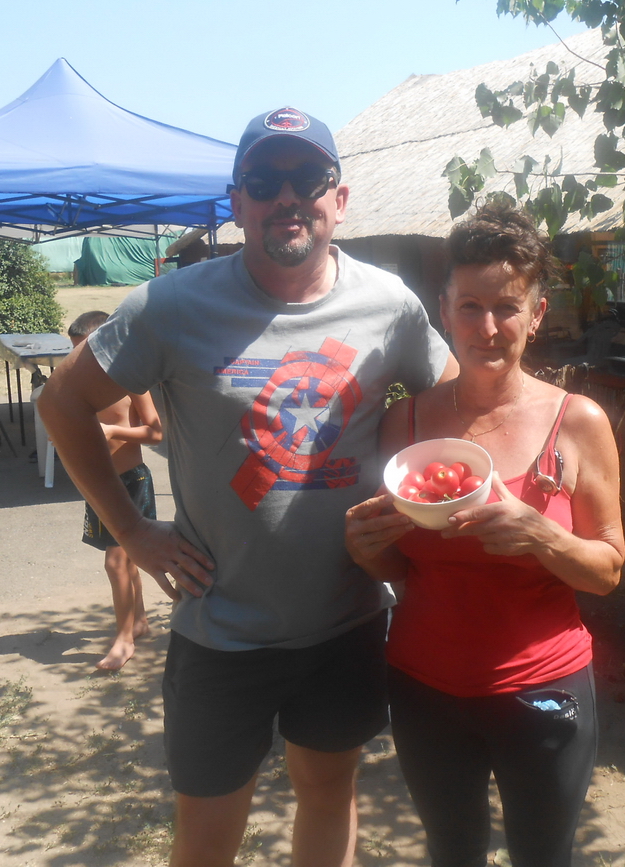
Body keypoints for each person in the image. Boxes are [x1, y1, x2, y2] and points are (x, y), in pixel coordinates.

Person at [38, 106, 455, 867]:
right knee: (205, 840)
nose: (286, 195)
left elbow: (456, 404)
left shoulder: (390, 305)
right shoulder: (172, 305)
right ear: (237, 203)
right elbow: (61, 403)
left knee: (329, 796)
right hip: (220, 631)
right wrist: (131, 530)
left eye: (309, 178)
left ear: (339, 199)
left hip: (346, 621)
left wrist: (425, 497)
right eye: (263, 181)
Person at [344, 201, 625, 867]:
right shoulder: (405, 425)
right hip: (423, 686)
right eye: (470, 306)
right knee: (452, 852)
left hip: (544, 688)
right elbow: (402, 567)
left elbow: (609, 570)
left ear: (537, 313)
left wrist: (540, 535)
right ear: (443, 311)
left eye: (507, 307)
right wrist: (366, 551)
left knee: (543, 857)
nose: (488, 327)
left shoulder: (578, 422)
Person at [66, 310, 165, 671]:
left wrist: (113, 432)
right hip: (100, 484)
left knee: (116, 562)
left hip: (130, 482)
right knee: (127, 560)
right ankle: (138, 620)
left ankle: (124, 641)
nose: (77, 359)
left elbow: (155, 432)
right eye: (73, 351)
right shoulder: (81, 386)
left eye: (83, 350)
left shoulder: (129, 383)